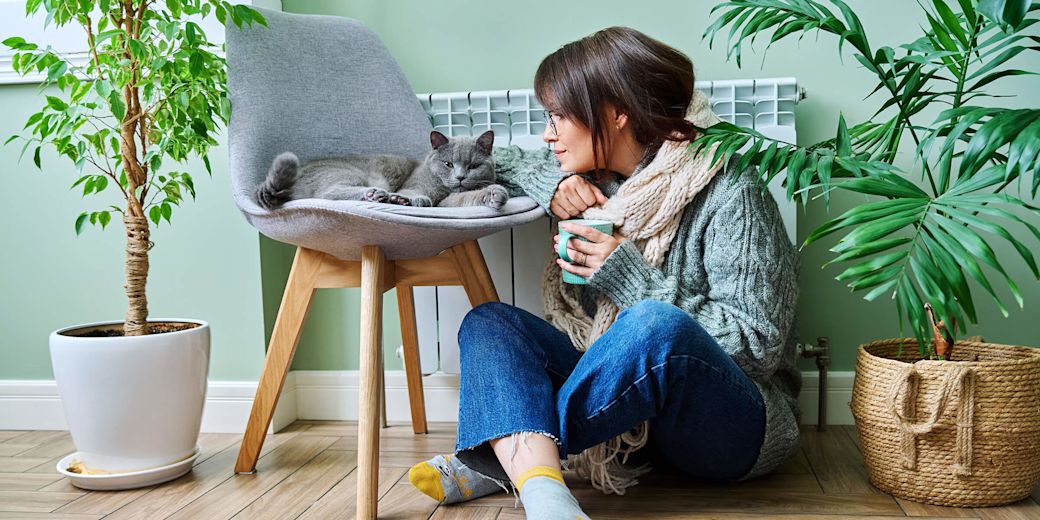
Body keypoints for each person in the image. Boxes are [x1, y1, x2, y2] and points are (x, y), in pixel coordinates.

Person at [408, 26, 801, 520]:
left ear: (617, 112)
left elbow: (759, 346)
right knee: (490, 323)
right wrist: (554, 184)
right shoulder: (601, 185)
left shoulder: (730, 188)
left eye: (556, 117)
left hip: (731, 430)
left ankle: (501, 456)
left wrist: (630, 279)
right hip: (631, 430)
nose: (546, 134)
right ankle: (545, 492)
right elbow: (497, 160)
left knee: (655, 323)